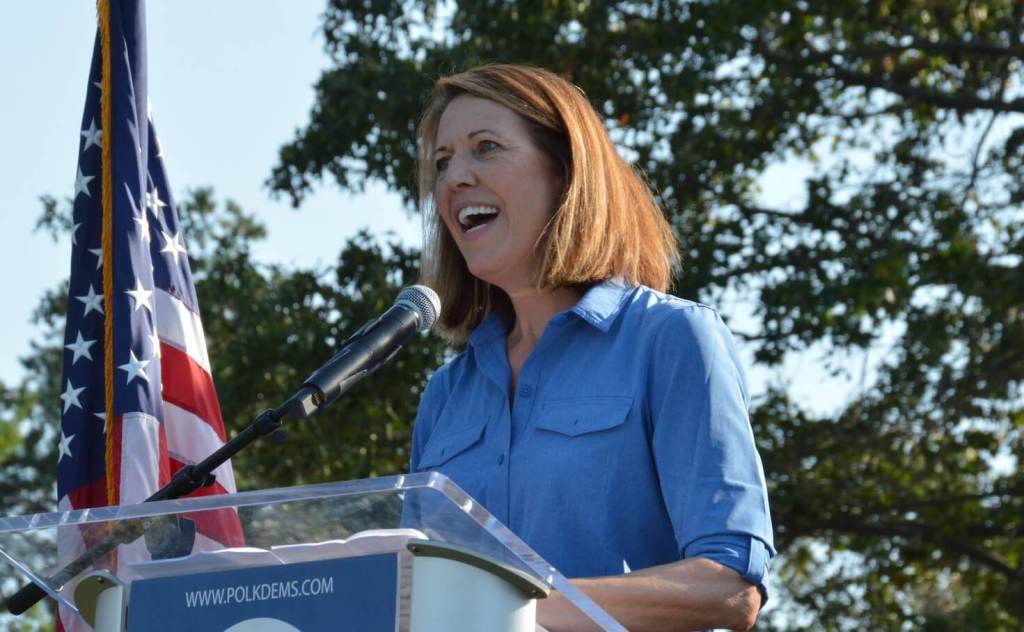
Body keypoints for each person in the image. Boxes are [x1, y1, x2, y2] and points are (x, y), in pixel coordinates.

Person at [410, 64, 774, 632]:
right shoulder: (445, 396)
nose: (455, 177)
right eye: (442, 162)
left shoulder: (670, 340)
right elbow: (414, 595)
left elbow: (729, 587)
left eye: (485, 148)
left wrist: (515, 606)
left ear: (564, 170)